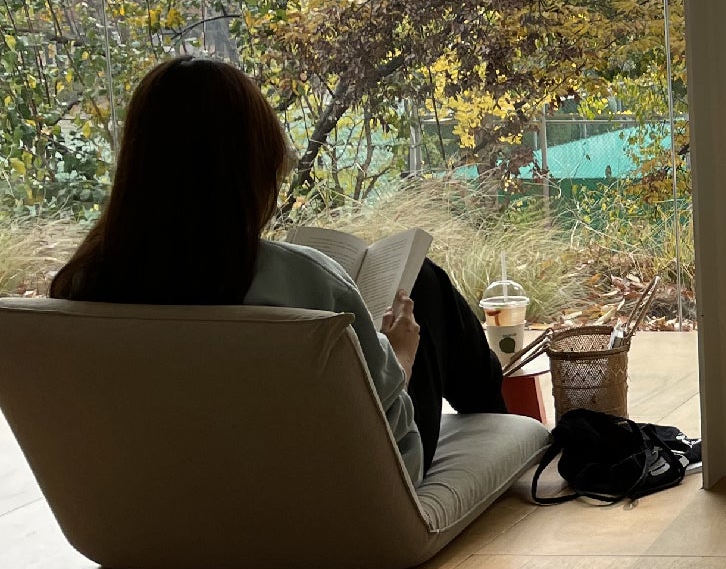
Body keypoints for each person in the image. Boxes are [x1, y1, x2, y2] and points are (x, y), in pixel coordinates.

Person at [50, 56, 507, 485]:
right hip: (336, 499)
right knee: (422, 282)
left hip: (156, 503)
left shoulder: (81, 285)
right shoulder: (310, 281)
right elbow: (383, 432)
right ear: (255, 168)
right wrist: (401, 355)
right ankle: (505, 427)